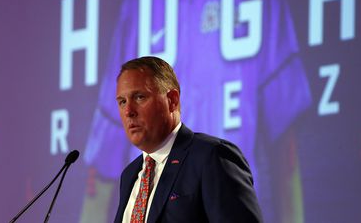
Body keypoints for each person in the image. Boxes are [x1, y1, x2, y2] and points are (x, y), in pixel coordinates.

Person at [113, 56, 263, 223]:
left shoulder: (211, 157)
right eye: (122, 102)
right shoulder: (129, 175)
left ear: (172, 100)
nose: (128, 111)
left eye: (139, 97)